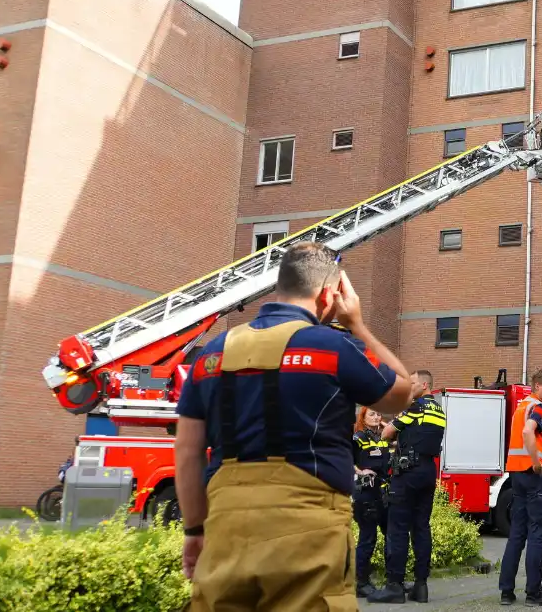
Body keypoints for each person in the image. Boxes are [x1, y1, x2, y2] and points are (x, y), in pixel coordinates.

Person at [174, 241, 413, 611]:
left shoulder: (213, 353)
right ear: (329, 294)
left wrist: (194, 531)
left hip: (226, 528)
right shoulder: (333, 346)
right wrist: (357, 324)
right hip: (309, 526)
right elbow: (402, 396)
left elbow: (188, 452)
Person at [369, 370, 447, 604]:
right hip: (427, 472)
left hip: (408, 473)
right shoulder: (439, 411)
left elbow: (386, 433)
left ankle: (394, 586)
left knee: (398, 528)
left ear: (424, 385)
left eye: (412, 383)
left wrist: (393, 423)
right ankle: (421, 586)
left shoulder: (416, 408)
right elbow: (421, 437)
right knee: (421, 527)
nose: (409, 387)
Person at [498, 369, 542, 607]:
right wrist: (537, 462)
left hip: (517, 475)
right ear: (538, 386)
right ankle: (534, 593)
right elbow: (529, 432)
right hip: (537, 476)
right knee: (537, 534)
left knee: (517, 534)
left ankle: (506, 592)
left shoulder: (520, 407)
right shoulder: (537, 407)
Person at [353, 407, 392, 597]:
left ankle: (393, 581)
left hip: (382, 494)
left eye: (379, 414)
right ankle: (361, 583)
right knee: (368, 538)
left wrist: (385, 425)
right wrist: (360, 471)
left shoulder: (382, 438)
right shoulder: (358, 437)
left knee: (391, 535)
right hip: (365, 494)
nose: (376, 417)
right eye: (372, 414)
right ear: (363, 417)